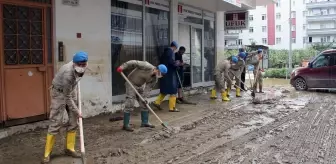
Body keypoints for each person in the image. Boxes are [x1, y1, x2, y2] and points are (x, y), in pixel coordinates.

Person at [42, 51, 88, 163]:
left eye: (84, 64)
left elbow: (72, 87)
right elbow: (67, 97)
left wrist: (76, 113)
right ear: (74, 64)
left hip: (70, 91)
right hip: (59, 93)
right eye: (80, 65)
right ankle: (47, 154)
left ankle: (69, 148)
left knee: (74, 121)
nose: (82, 67)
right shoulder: (68, 74)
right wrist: (77, 110)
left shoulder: (83, 64)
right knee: (56, 122)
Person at [116, 60, 168, 132]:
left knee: (144, 103)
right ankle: (126, 125)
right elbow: (134, 62)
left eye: (162, 74)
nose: (160, 75)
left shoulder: (154, 79)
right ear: (156, 69)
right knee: (130, 102)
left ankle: (145, 122)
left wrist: (145, 98)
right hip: (130, 83)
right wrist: (123, 67)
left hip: (140, 86)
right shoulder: (146, 66)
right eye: (160, 73)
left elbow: (148, 89)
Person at [152, 41, 180, 112]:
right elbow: (171, 62)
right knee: (173, 90)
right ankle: (172, 108)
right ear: (174, 47)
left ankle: (157, 102)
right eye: (175, 48)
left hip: (164, 74)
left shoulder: (164, 52)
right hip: (170, 74)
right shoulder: (170, 52)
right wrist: (176, 64)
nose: (175, 50)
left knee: (164, 90)